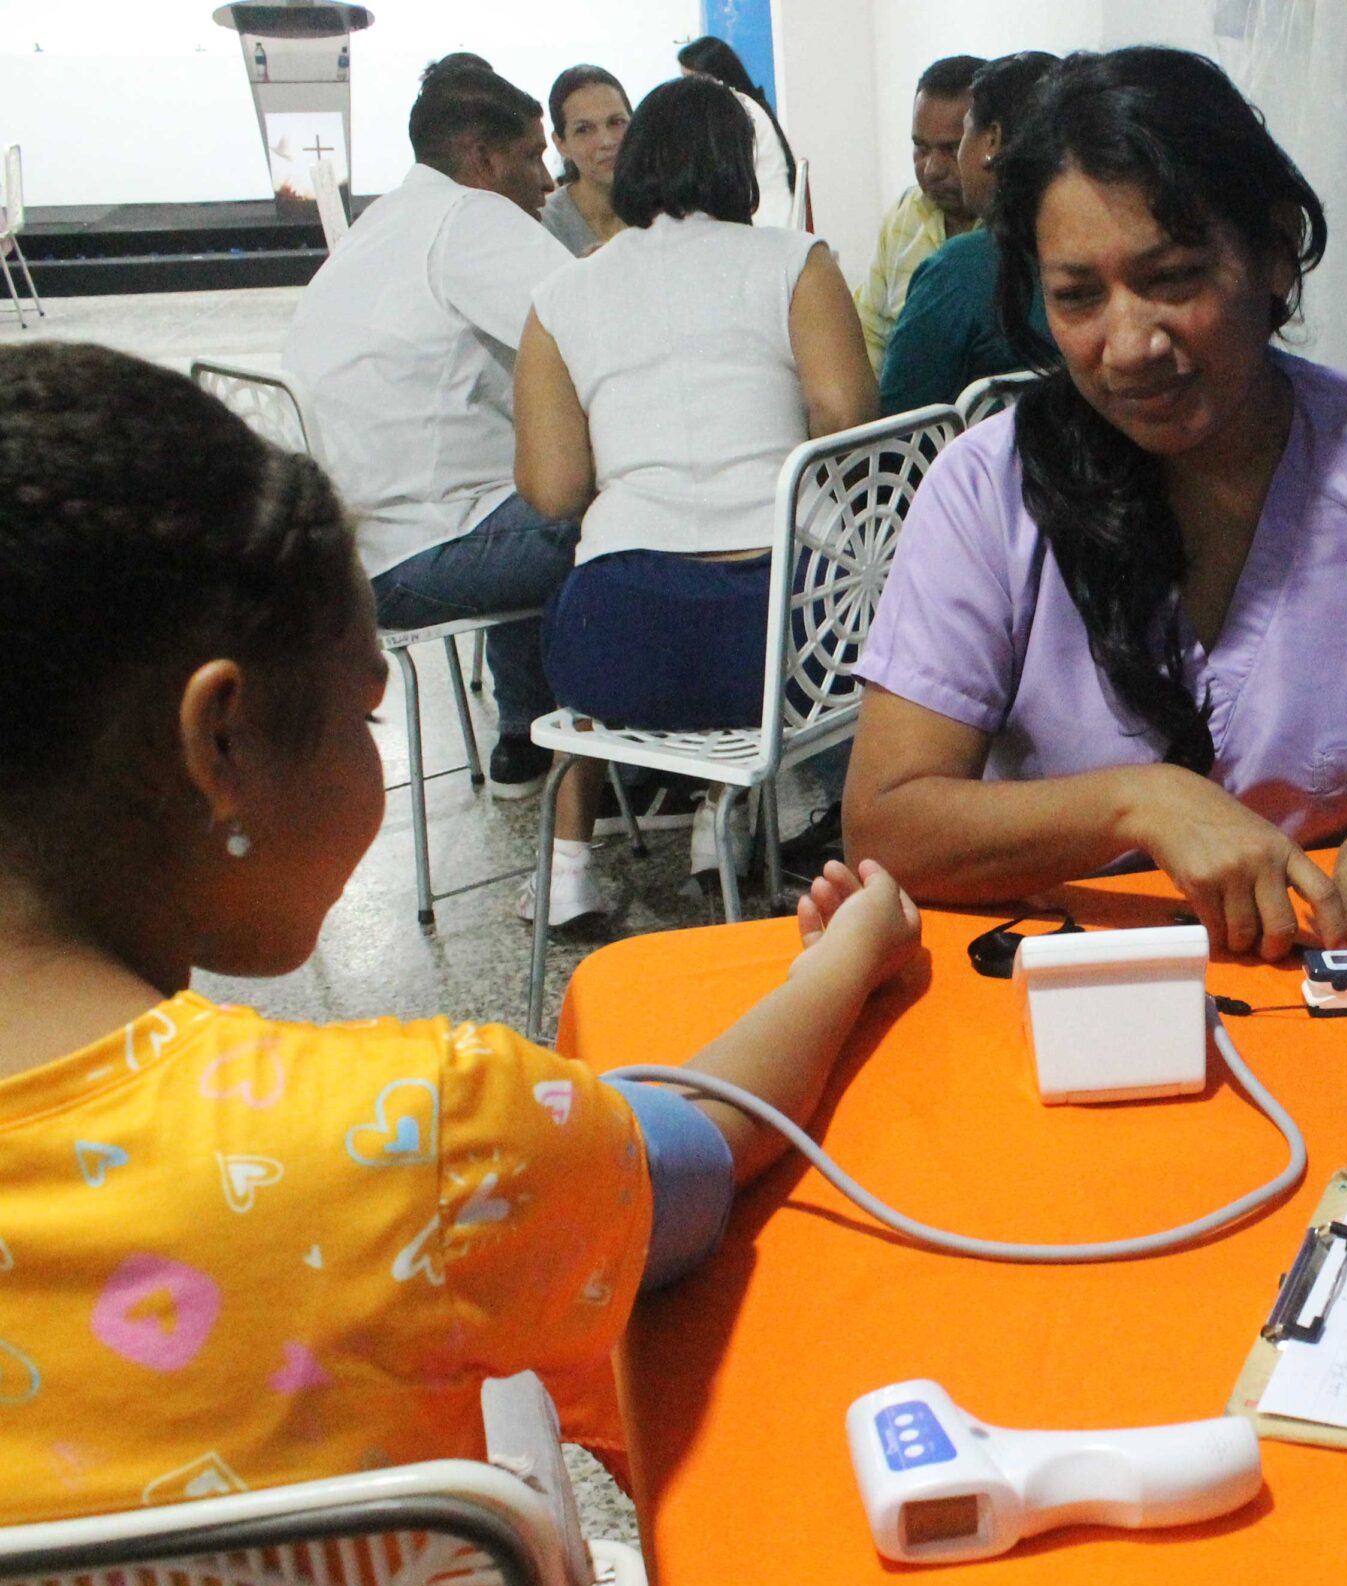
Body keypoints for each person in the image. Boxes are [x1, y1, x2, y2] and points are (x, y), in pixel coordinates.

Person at [0, 341, 922, 1525]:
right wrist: (852, 954)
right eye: (361, 714)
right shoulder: (413, 1140)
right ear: (218, 743)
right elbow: (692, 1154)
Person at [843, 48, 1347, 979]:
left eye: (1173, 278)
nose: (1127, 345)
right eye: (1077, 296)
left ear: (1276, 251)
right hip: (1068, 1000)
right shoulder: (984, 491)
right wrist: (1141, 803)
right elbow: (888, 820)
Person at [514, 74, 876, 924]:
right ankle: (734, 814)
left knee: (571, 601)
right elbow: (849, 418)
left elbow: (556, 487)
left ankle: (584, 865)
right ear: (740, 168)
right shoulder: (795, 261)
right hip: (801, 645)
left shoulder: (560, 297)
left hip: (623, 650)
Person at [283, 56, 572, 794]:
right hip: (425, 555)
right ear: (481, 160)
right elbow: (594, 331)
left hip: (355, 556)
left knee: (528, 480)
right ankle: (630, 756)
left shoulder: (383, 225)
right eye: (533, 156)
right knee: (621, 502)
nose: (547, 179)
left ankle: (527, 731)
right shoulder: (471, 219)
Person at [876, 51, 1059, 414]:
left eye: (957, 142)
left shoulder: (958, 272)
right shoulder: (1097, 251)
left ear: (991, 142)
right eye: (920, 147)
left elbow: (896, 436)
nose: (933, 167)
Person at [855, 54, 987, 370]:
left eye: (950, 149)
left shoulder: (1016, 230)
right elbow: (869, 332)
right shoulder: (905, 215)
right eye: (921, 148)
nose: (930, 170)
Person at [678, 35, 795, 230]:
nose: (686, 92)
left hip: (767, 226)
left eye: (692, 81)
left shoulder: (739, 109)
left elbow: (724, 177)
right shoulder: (735, 106)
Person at [539, 64, 629, 257]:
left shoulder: (666, 211)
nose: (606, 141)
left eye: (616, 122)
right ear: (561, 143)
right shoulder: (545, 227)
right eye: (584, 129)